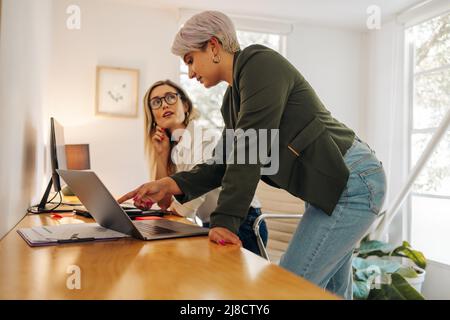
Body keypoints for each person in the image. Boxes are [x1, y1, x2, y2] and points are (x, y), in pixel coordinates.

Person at [119, 11, 386, 299]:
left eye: (190, 60)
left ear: (213, 46)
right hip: (331, 190)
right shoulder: (231, 100)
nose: (191, 73)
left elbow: (249, 148)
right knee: (331, 293)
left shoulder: (260, 65)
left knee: (285, 290)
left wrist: (224, 222)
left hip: (353, 183)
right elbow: (223, 162)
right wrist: (170, 184)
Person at [142, 79, 267, 256]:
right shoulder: (172, 148)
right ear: (152, 114)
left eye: (170, 97)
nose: (164, 105)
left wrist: (173, 213)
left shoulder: (204, 137)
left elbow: (196, 195)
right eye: (156, 102)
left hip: (242, 223)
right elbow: (163, 202)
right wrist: (161, 157)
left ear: (185, 106)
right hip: (212, 225)